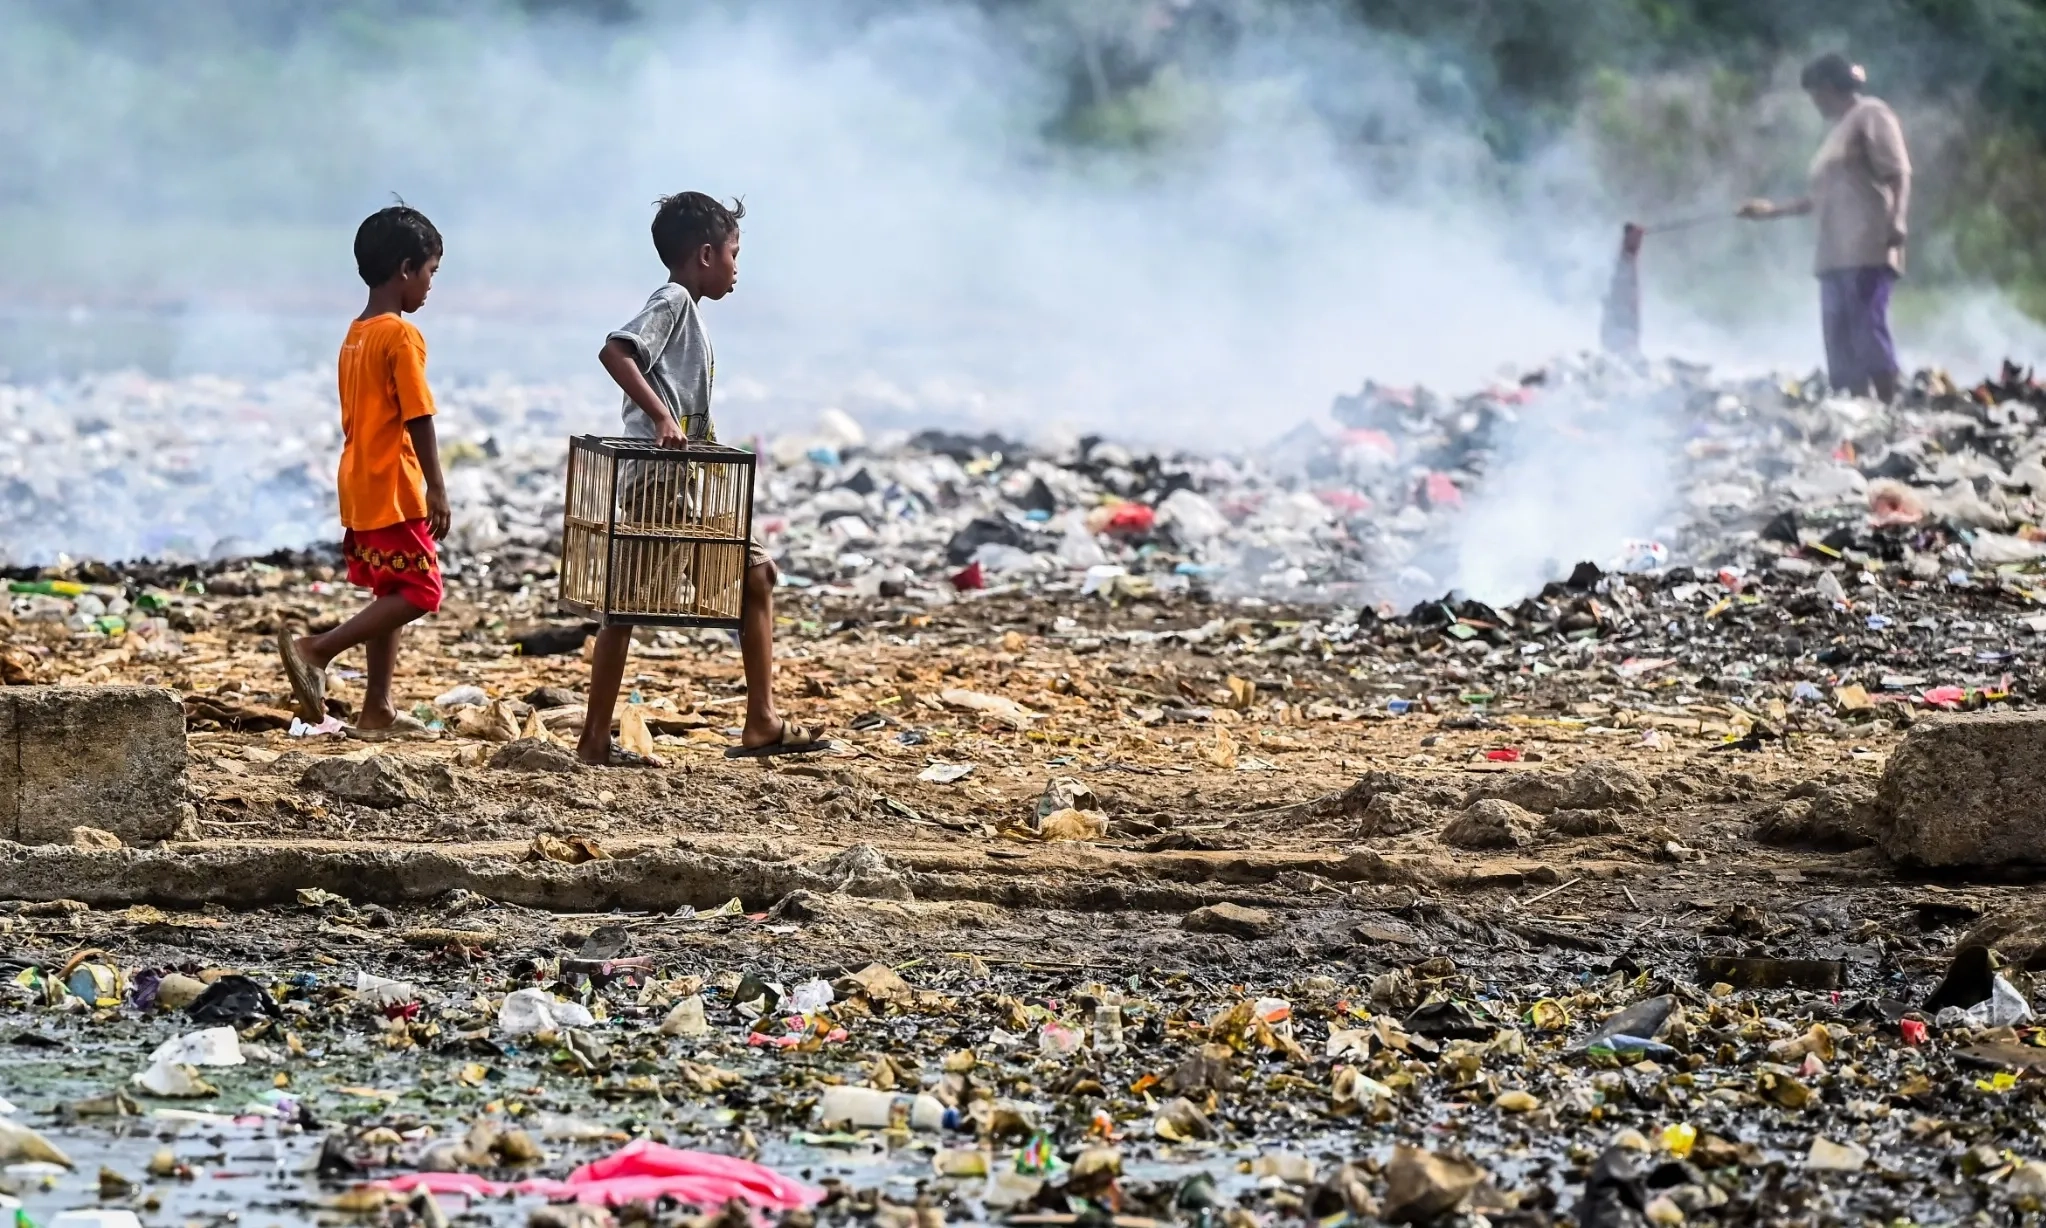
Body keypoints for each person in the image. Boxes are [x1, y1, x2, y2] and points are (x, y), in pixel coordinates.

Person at [575, 191, 830, 766]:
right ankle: (594, 739)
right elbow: (616, 353)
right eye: (736, 255)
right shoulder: (672, 301)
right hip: (658, 481)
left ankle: (761, 719)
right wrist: (664, 417)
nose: (739, 268)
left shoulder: (690, 311)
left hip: (684, 478)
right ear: (708, 254)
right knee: (627, 604)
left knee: (754, 575)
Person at [278, 205, 451, 738]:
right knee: (422, 593)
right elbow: (417, 415)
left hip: (358, 482)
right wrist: (438, 487)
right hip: (393, 486)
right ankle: (317, 650)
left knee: (392, 589)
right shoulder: (399, 336)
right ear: (405, 269)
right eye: (430, 273)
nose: (429, 287)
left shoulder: (356, 334)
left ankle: (377, 709)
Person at [1739, 53, 1912, 402]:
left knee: (1867, 329)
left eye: (1815, 93)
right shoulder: (1836, 132)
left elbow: (1899, 172)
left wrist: (1897, 218)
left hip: (1867, 246)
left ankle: (1890, 407)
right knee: (1840, 337)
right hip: (1834, 254)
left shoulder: (1870, 113)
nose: (1814, 101)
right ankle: (1859, 411)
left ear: (1829, 88)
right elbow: (1818, 200)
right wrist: (1771, 211)